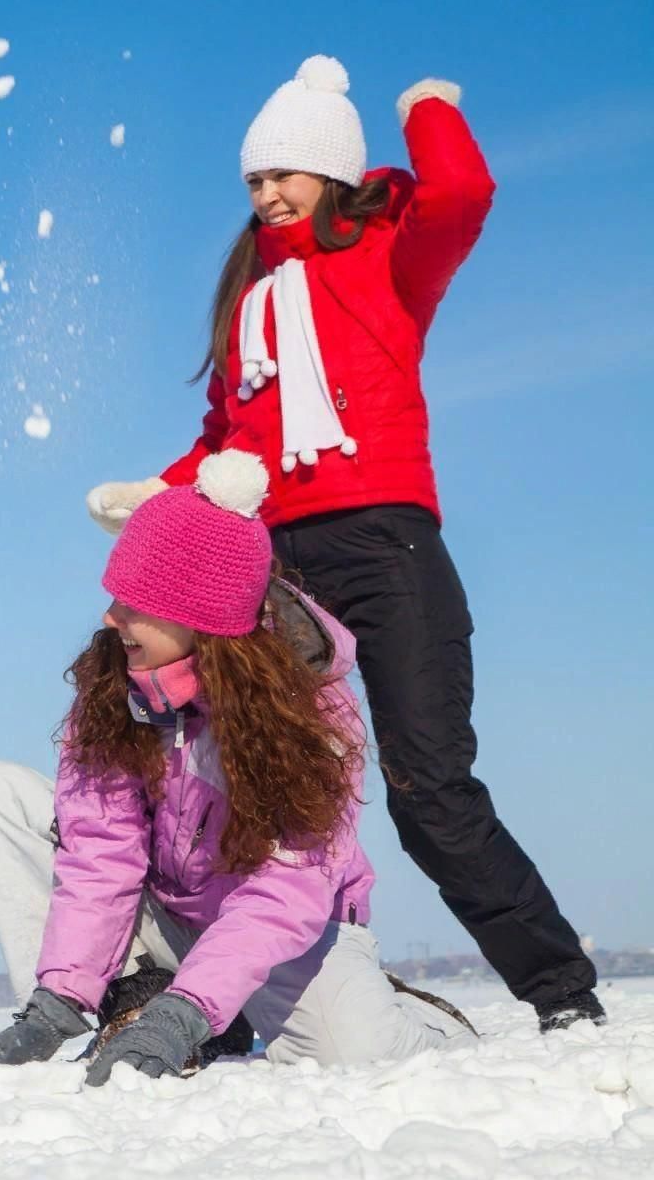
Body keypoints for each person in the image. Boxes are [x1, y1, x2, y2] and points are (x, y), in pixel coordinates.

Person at [82, 56, 601, 1030]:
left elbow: (461, 189)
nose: (266, 194)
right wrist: (156, 489)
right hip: (273, 570)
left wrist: (426, 110)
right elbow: (225, 438)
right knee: (245, 777)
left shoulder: (389, 257)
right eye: (252, 179)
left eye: (283, 173)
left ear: (329, 173)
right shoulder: (247, 305)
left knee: (426, 788)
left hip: (386, 550)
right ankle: (231, 982)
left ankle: (560, 992)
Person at [0, 453, 472, 1082]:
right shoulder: (118, 687)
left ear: (199, 618)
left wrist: (188, 1011)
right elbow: (101, 851)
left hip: (287, 932)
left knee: (357, 1054)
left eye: (133, 602)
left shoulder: (310, 710)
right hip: (171, 915)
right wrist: (58, 1004)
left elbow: (288, 890)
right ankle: (128, 1000)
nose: (109, 617)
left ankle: (415, 1016)